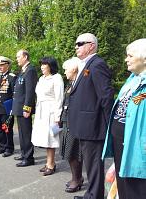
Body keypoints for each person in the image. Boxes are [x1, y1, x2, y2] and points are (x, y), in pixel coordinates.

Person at [68, 33, 114, 199]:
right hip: (85, 124)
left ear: (91, 46)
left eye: (80, 43)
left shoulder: (97, 64)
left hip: (93, 125)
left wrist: (111, 125)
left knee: (94, 164)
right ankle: (92, 193)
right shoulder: (87, 64)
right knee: (90, 163)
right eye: (76, 43)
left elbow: (106, 96)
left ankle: (95, 196)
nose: (76, 46)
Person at [102, 38, 146, 199]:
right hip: (120, 139)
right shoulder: (133, 79)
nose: (126, 59)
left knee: (136, 185)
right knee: (123, 182)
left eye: (130, 56)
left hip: (138, 145)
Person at [31, 57, 64, 175]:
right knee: (44, 139)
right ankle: (48, 162)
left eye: (44, 65)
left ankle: (51, 164)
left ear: (51, 66)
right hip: (41, 111)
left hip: (51, 111)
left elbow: (59, 98)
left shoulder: (57, 78)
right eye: (41, 65)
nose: (42, 67)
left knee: (51, 138)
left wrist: (57, 116)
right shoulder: (41, 78)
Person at [60, 57, 84, 192]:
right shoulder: (70, 83)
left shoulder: (79, 84)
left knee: (74, 151)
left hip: (74, 122)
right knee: (68, 152)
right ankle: (76, 177)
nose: (65, 72)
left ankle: (77, 179)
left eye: (66, 69)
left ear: (74, 69)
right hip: (66, 119)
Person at [12, 49, 38, 167]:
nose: (17, 59)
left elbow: (30, 91)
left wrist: (27, 108)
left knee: (26, 133)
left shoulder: (30, 70)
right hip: (19, 107)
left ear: (25, 57)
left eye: (18, 57)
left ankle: (28, 158)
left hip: (24, 108)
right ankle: (24, 154)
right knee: (21, 133)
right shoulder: (23, 71)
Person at [0, 56, 16, 157]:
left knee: (7, 129)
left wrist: (13, 108)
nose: (0, 67)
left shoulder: (12, 77)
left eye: (2, 65)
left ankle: (9, 148)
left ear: (8, 66)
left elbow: (14, 94)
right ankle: (2, 146)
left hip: (6, 108)